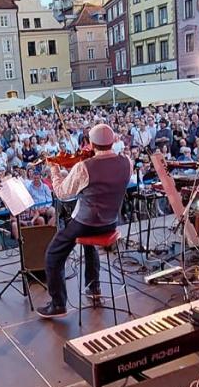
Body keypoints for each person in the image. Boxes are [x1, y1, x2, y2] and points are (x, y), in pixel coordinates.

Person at [38, 123, 131, 318]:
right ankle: (94, 286)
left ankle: (58, 304)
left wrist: (55, 171)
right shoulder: (126, 162)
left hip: (87, 224)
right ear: (113, 141)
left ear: (90, 143)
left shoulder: (84, 167)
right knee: (89, 246)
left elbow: (63, 193)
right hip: (111, 221)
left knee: (53, 255)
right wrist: (72, 172)